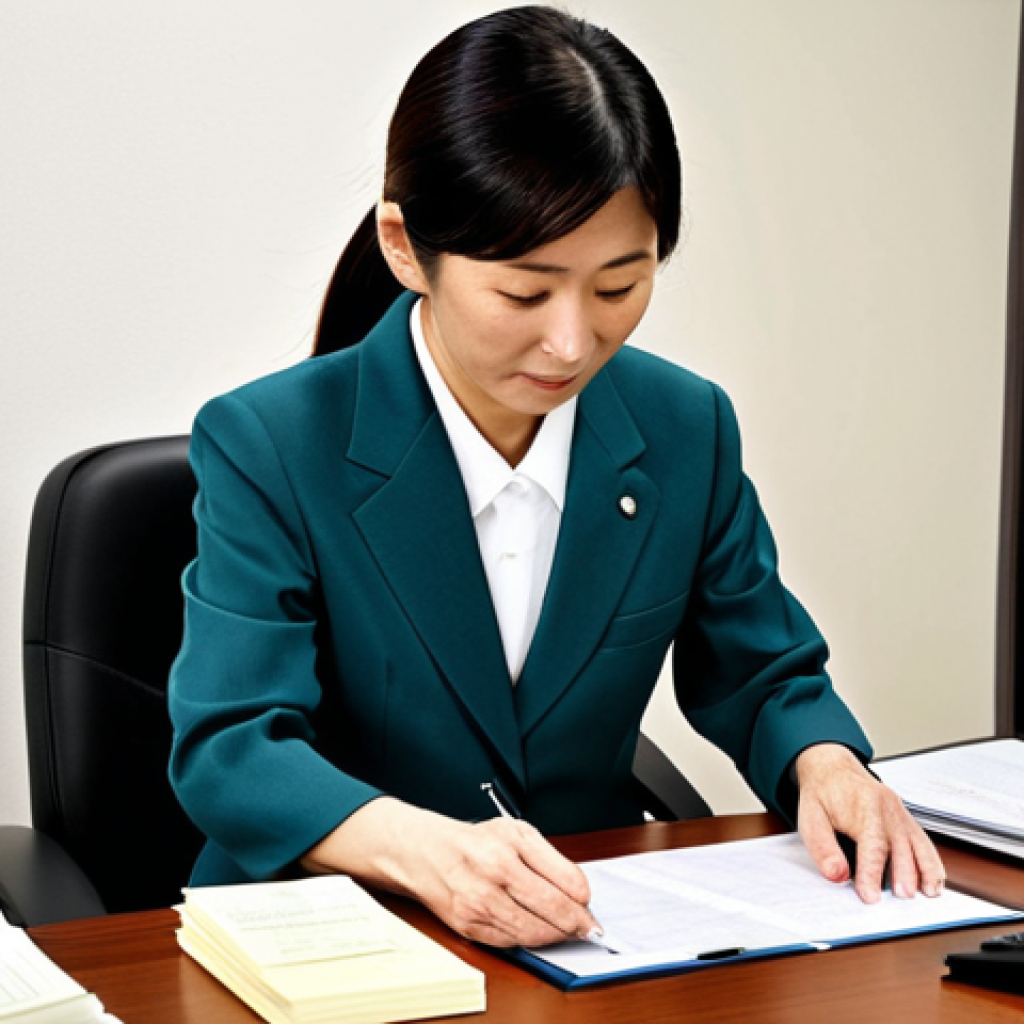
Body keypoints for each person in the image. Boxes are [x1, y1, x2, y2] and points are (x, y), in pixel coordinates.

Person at [168, 5, 944, 949]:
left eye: (620, 285)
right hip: (334, 937)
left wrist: (827, 762)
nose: (574, 342)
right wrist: (431, 853)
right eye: (523, 292)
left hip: (581, 936)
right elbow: (234, 749)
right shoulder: (269, 442)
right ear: (408, 248)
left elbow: (761, 667)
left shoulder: (683, 427)